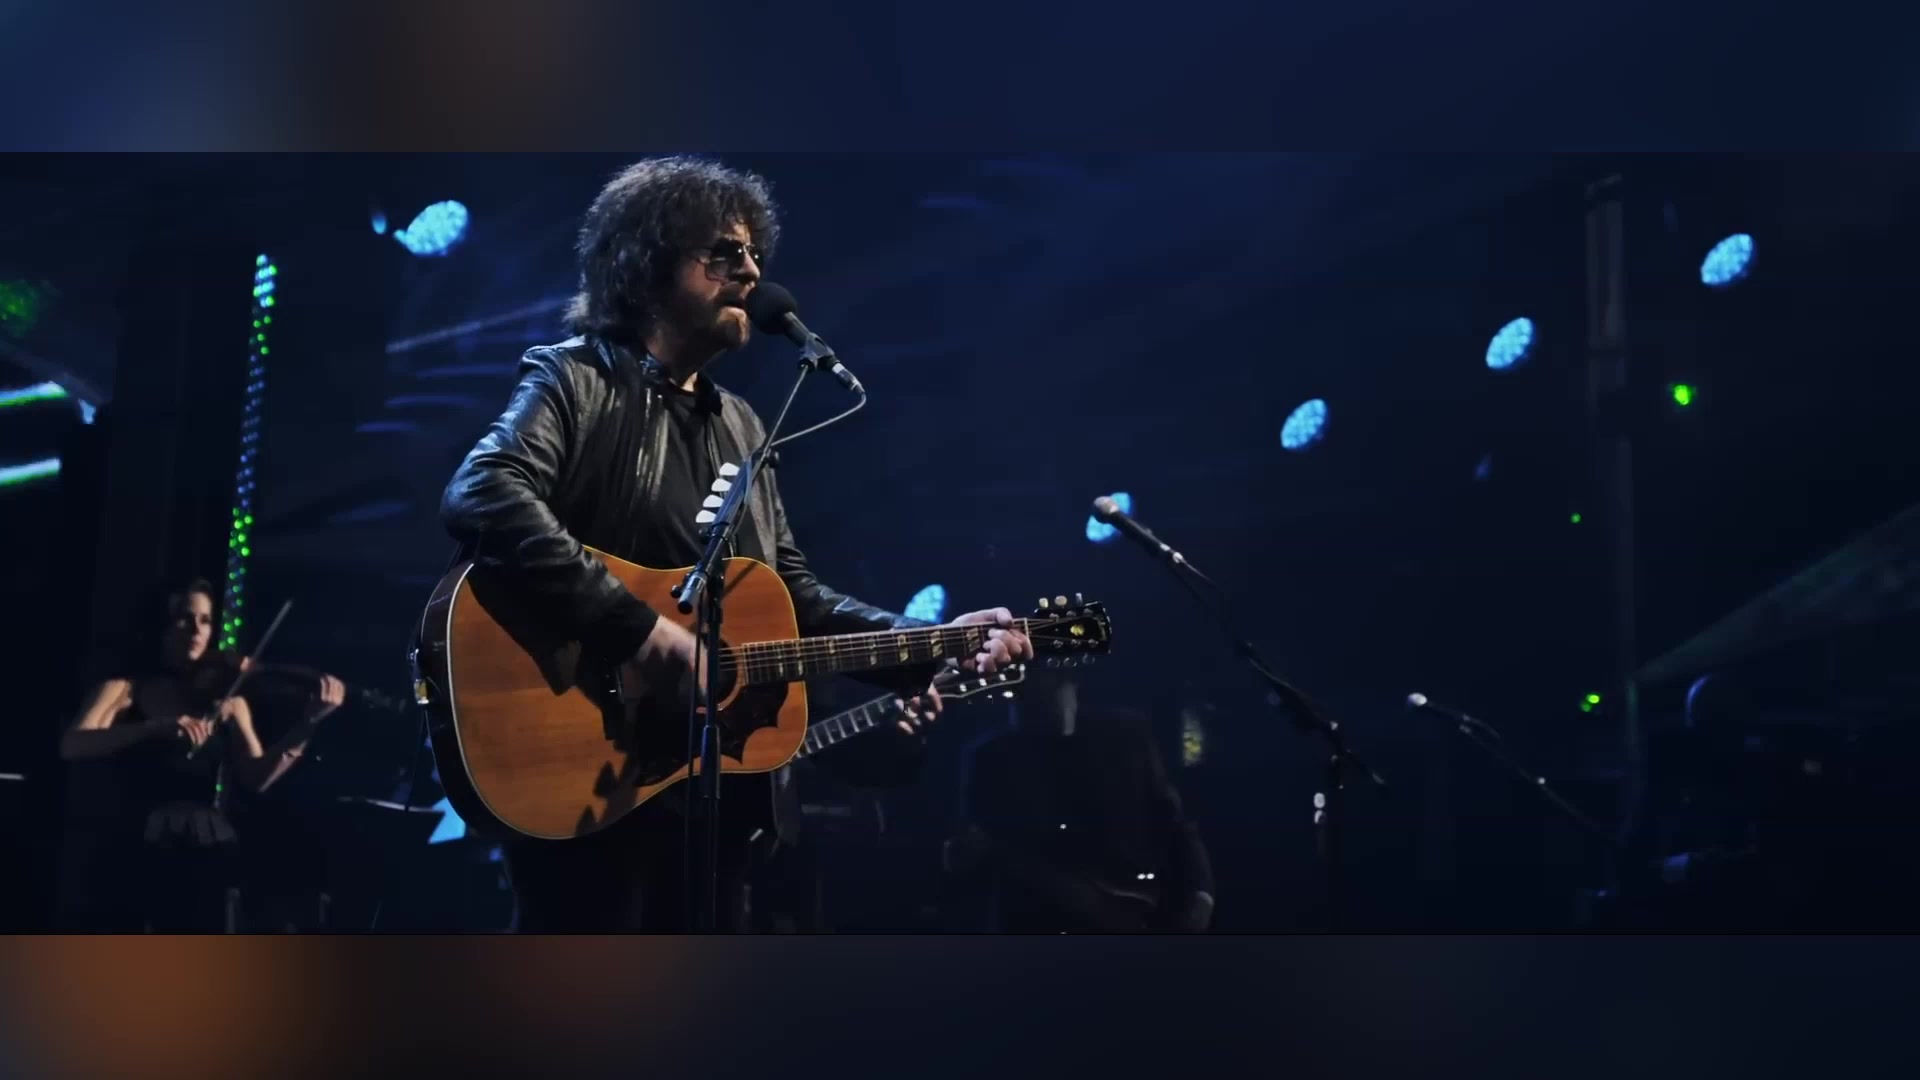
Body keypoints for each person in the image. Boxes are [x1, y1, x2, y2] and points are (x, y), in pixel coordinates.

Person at [438, 156, 1032, 933]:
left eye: (753, 253)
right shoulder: (576, 379)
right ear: (646, 263)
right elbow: (483, 490)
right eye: (722, 253)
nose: (750, 271)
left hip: (719, 799)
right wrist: (640, 631)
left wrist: (933, 643)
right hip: (581, 769)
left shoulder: (743, 425)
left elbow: (794, 597)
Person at [57, 577, 345, 931]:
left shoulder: (228, 700)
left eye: (206, 620)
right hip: (138, 840)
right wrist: (154, 727)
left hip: (208, 845)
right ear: (161, 625)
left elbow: (256, 777)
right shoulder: (126, 689)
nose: (197, 629)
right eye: (185, 618)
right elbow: (73, 744)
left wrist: (306, 726)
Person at [948, 671, 1214, 932]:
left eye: (1040, 682)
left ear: (1068, 679)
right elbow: (972, 860)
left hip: (1130, 915)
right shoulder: (990, 758)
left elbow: (1172, 821)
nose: (1029, 696)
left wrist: (1201, 892)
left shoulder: (1127, 737)